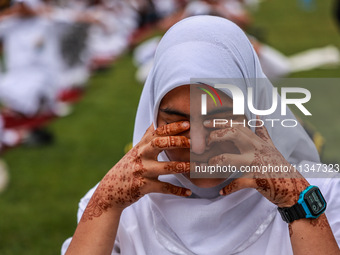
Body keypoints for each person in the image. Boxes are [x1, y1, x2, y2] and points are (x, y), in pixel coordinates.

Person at [62, 16, 340, 254]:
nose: (199, 145)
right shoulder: (120, 203)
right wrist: (105, 205)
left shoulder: (319, 193)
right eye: (177, 124)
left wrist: (296, 201)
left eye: (219, 121)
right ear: (152, 117)